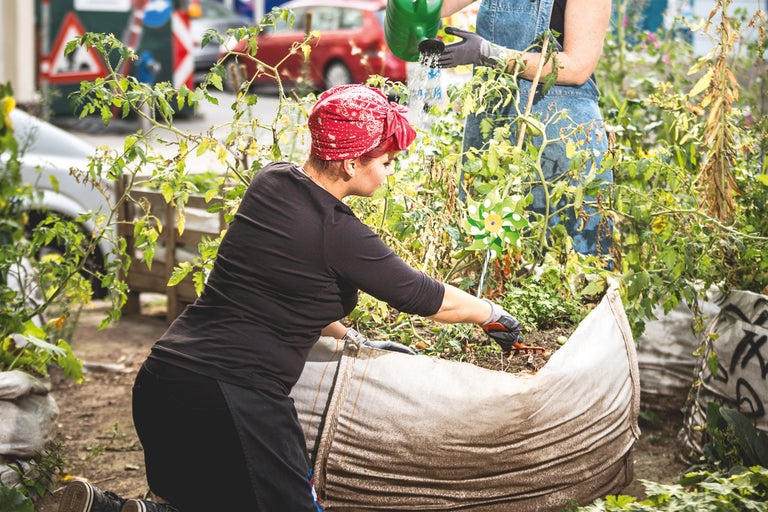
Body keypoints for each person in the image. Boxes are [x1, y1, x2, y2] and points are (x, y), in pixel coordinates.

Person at [58, 84, 524, 512]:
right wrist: (492, 314)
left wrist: (352, 339)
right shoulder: (337, 232)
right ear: (351, 163)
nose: (388, 174)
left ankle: (110, 509)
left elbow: (289, 289)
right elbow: (425, 296)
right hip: (234, 398)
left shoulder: (272, 182)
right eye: (385, 162)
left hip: (164, 379)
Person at [437, 0, 613, 256]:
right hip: (495, 128)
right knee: (488, 252)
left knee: (567, 258)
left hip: (560, 135)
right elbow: (437, 5)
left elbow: (577, 66)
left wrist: (490, 54)